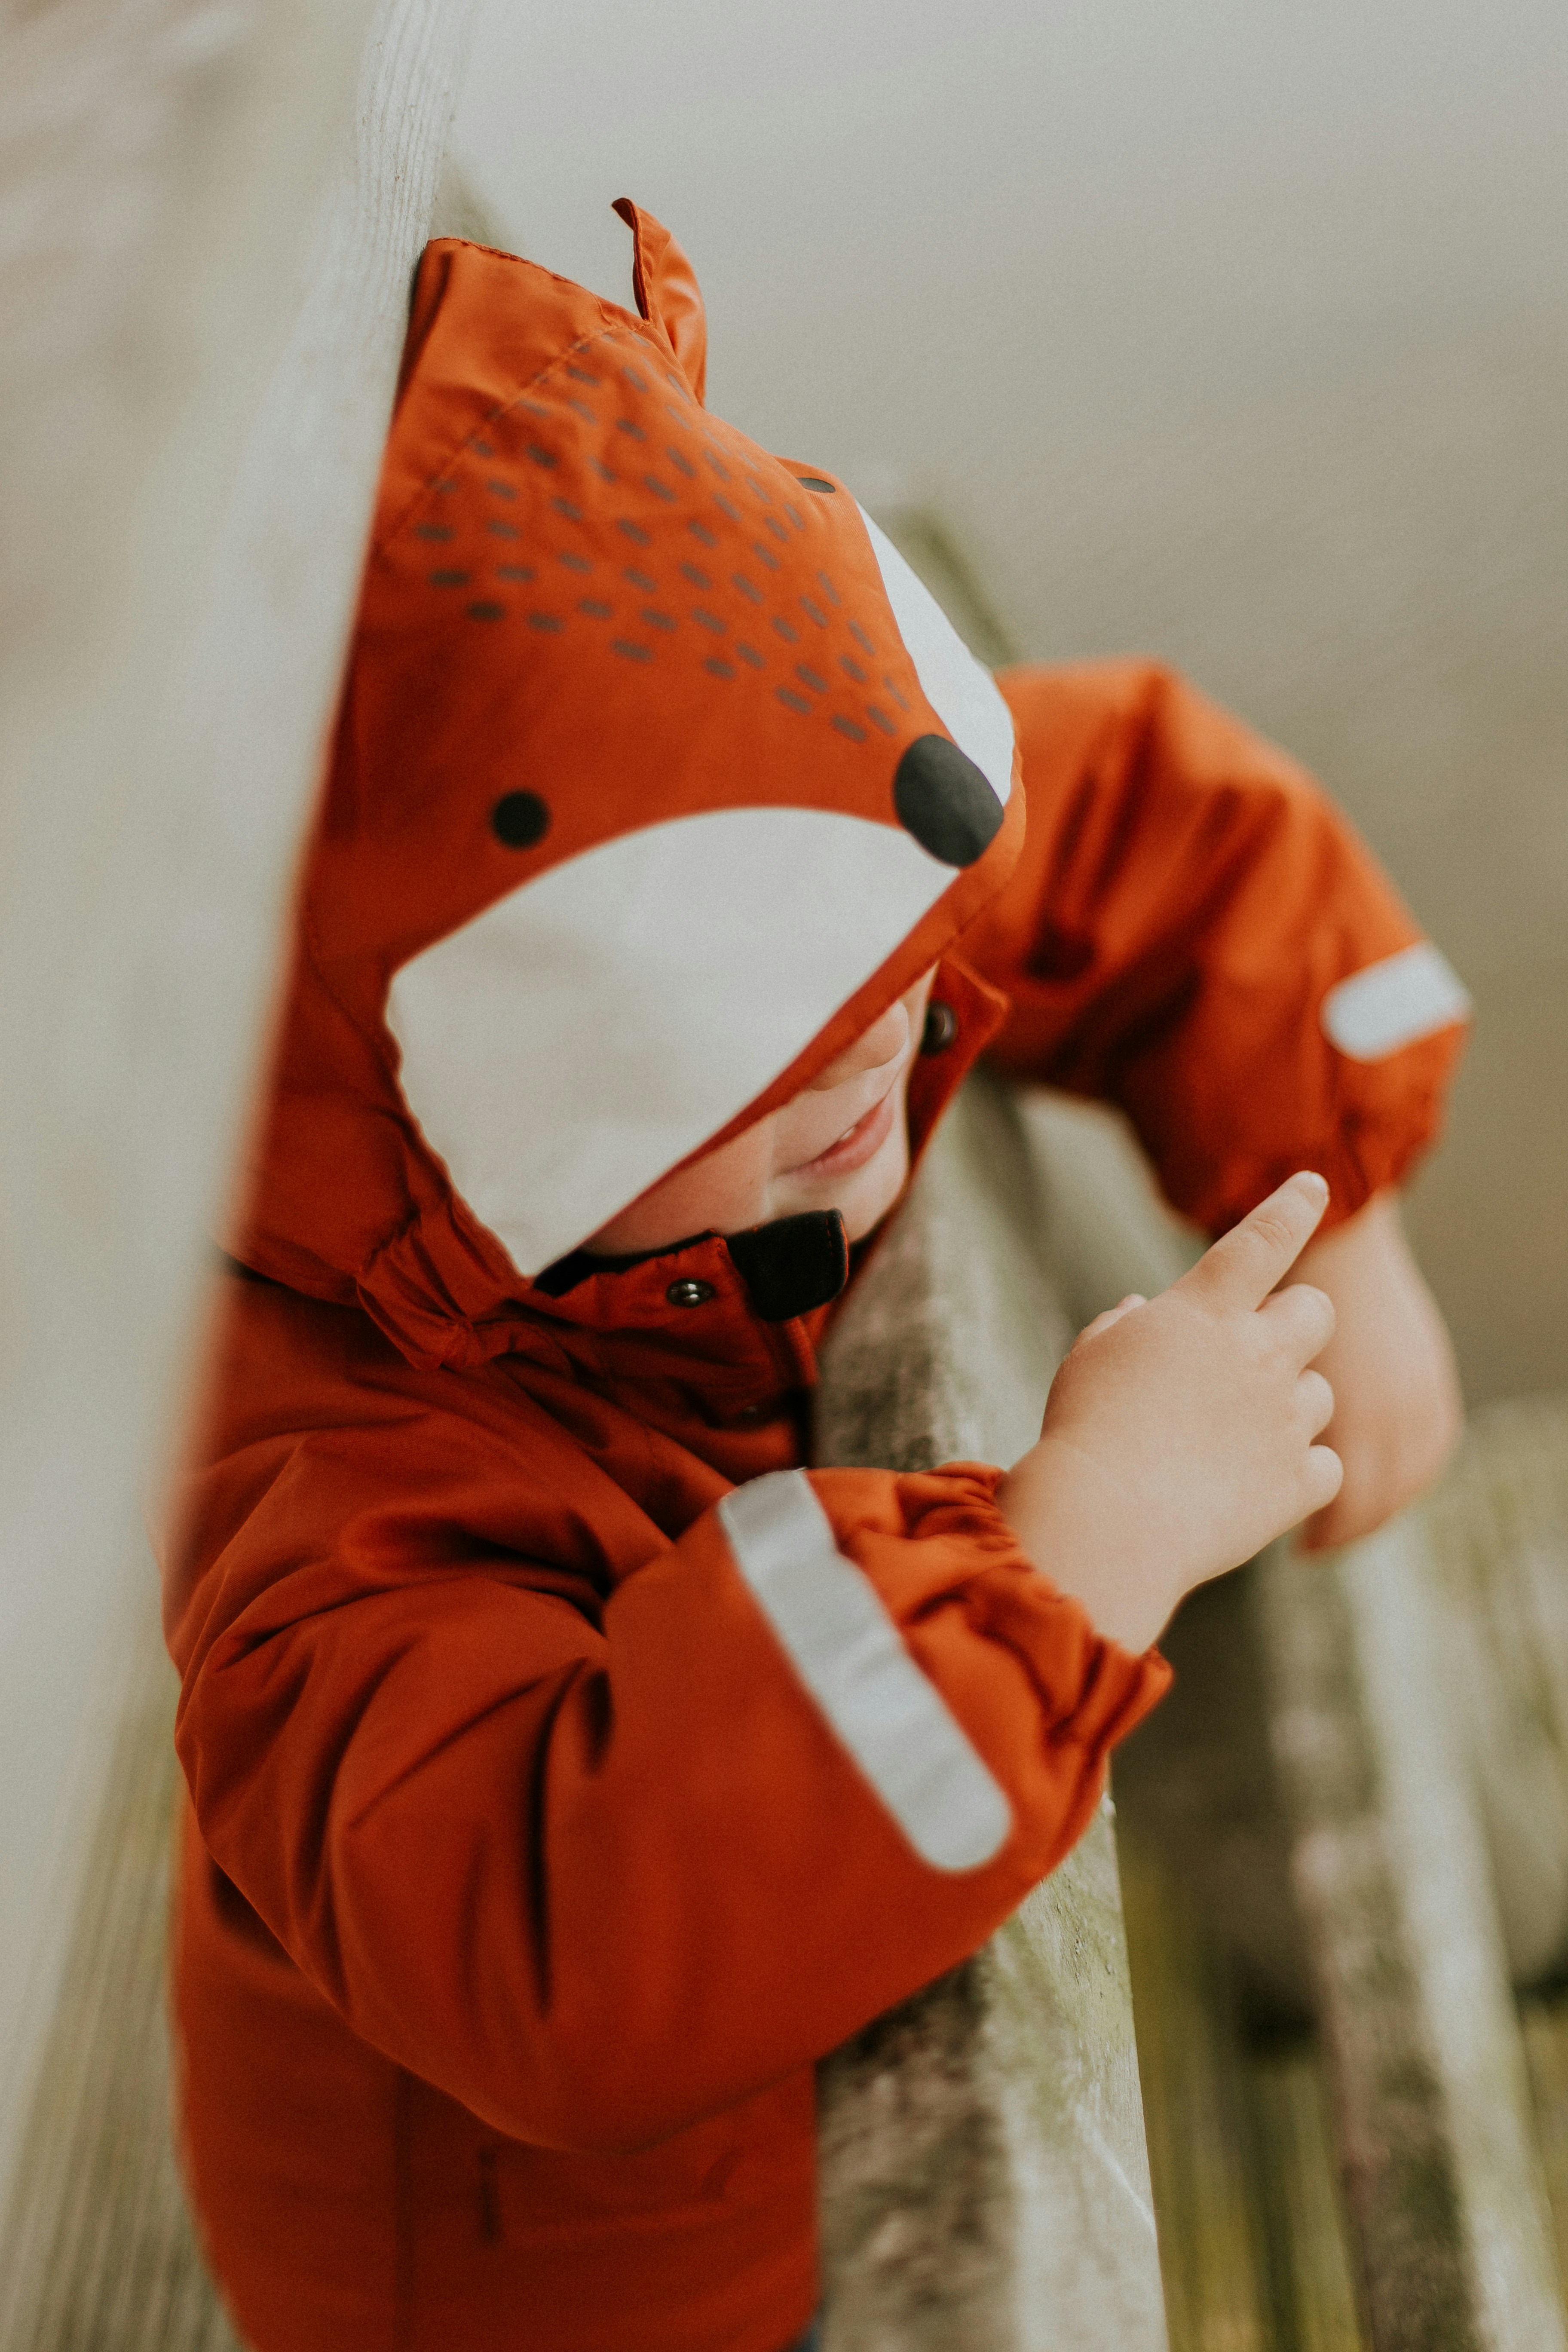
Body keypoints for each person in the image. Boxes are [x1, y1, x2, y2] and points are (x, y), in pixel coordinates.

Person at [162, 204, 1469, 2352]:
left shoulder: (817, 924)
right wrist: (1062, 1559)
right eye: (740, 1032)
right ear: (466, 1076)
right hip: (564, 2278)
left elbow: (1161, 807)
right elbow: (533, 1924)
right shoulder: (332, 1472)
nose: (885, 1035)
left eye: (882, 960)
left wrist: (1355, 1189)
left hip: (816, 2049)